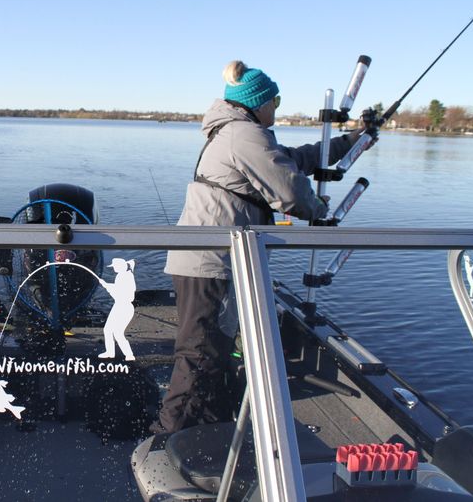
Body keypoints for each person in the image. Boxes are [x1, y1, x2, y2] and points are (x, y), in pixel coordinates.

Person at [152, 61, 368, 434]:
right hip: (212, 264)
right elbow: (289, 189)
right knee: (200, 355)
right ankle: (167, 437)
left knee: (211, 352)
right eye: (276, 100)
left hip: (208, 262)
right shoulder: (245, 135)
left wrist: (351, 141)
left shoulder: (238, 133)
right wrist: (319, 213)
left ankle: (206, 429)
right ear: (259, 102)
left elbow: (293, 160)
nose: (278, 108)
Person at [97, 258, 137, 361]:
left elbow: (119, 294)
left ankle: (129, 355)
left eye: (114, 266)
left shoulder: (124, 277)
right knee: (108, 330)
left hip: (123, 307)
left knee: (118, 333)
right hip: (120, 306)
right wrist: (108, 285)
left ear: (119, 267)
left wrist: (106, 286)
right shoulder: (125, 275)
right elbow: (119, 289)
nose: (113, 268)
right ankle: (110, 352)